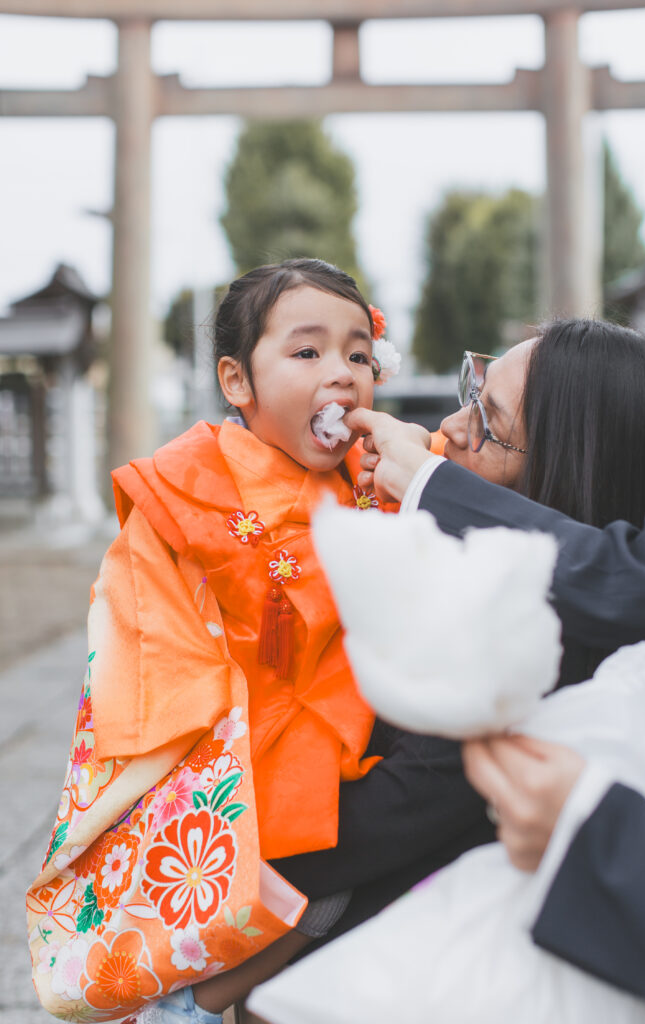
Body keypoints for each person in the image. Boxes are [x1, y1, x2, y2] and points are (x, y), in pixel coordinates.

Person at [27, 259, 490, 1024]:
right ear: (237, 382)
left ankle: (207, 1002)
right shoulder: (191, 482)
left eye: (357, 355)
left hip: (334, 739)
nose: (340, 375)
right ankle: (196, 1001)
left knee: (340, 879)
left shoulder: (373, 472)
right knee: (314, 873)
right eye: (307, 353)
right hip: (237, 741)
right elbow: (147, 627)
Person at [341, 317, 645, 1012]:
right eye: (471, 393)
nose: (450, 425)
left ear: (570, 469)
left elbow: (365, 827)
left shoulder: (514, 665)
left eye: (487, 422)